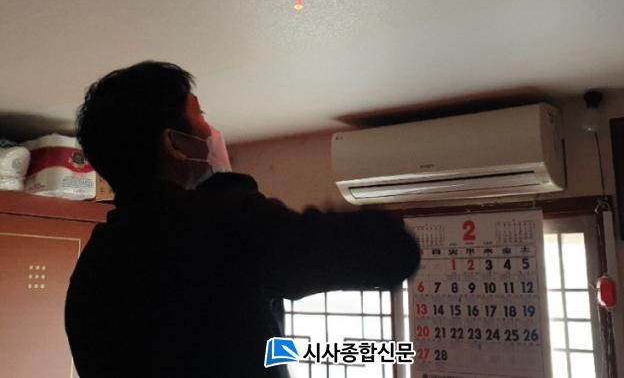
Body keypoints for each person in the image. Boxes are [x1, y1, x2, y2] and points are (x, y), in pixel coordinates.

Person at [65, 61, 421, 378]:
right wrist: (224, 182)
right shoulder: (219, 224)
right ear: (175, 144)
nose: (211, 131)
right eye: (201, 115)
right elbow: (391, 252)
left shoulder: (93, 265)